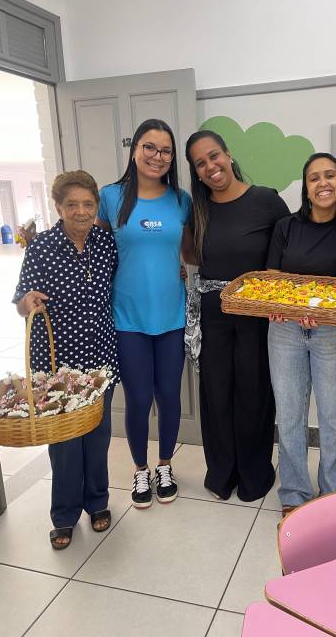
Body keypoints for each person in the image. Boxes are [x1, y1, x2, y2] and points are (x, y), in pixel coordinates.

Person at [13, 170, 118, 550]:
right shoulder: (42, 247)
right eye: (72, 204)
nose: (81, 211)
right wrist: (27, 303)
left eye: (88, 204)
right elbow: (22, 298)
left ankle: (98, 501)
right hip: (58, 365)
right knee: (64, 442)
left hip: (101, 358)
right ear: (58, 207)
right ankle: (64, 515)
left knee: (97, 435)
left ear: (96, 207)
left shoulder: (106, 243)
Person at [185, 129, 289, 502]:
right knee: (216, 395)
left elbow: (288, 251)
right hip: (213, 316)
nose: (210, 166)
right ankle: (221, 474)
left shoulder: (266, 200)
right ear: (197, 173)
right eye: (200, 163)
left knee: (254, 394)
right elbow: (191, 256)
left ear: (228, 155)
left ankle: (254, 475)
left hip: (255, 315)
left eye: (214, 156)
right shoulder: (197, 209)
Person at [96, 119, 192, 509]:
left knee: (169, 396)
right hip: (127, 318)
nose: (157, 156)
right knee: (137, 398)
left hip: (171, 316)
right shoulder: (110, 196)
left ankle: (164, 465)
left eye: (166, 150)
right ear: (134, 149)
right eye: (149, 147)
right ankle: (140, 469)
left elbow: (189, 251)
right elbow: (97, 251)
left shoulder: (181, 200)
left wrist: (179, 267)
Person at [266, 153, 336, 517]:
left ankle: (330, 492)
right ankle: (294, 492)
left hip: (333, 332)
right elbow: (273, 279)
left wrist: (319, 312)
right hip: (285, 331)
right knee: (290, 415)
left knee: (333, 418)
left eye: (330, 175)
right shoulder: (286, 227)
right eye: (314, 178)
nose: (323, 183)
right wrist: (286, 305)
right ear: (306, 188)